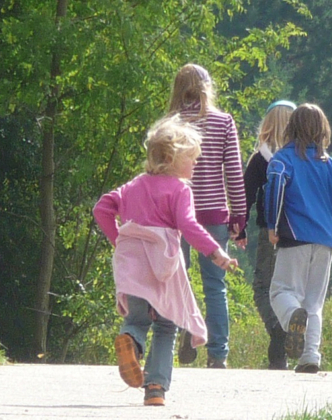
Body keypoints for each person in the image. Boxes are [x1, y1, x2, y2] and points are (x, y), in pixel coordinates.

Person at [93, 116, 238, 406]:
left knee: (135, 319)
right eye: (193, 158)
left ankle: (131, 343)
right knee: (166, 326)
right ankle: (156, 387)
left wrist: (120, 240)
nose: (196, 164)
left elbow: (101, 209)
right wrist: (215, 252)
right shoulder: (179, 189)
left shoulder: (132, 186)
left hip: (132, 265)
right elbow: (188, 226)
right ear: (173, 158)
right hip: (163, 267)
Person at [166, 63, 247, 369]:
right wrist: (239, 218)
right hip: (213, 213)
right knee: (215, 284)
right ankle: (218, 353)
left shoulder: (170, 124)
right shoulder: (223, 121)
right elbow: (234, 174)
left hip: (175, 213)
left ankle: (183, 333)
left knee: (177, 280)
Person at [265, 104, 332, 374]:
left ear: (291, 128)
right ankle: (310, 356)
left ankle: (292, 316)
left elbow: (276, 189)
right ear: (323, 130)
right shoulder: (331, 164)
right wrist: (330, 221)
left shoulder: (282, 160)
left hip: (294, 236)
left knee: (282, 292)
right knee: (314, 301)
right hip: (325, 239)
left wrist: (272, 224)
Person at [240, 100, 296, 370]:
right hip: (300, 233)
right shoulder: (304, 158)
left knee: (263, 287)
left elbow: (246, 198)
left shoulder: (260, 159)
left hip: (268, 231)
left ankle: (277, 331)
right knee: (290, 289)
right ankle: (286, 339)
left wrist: (239, 229)